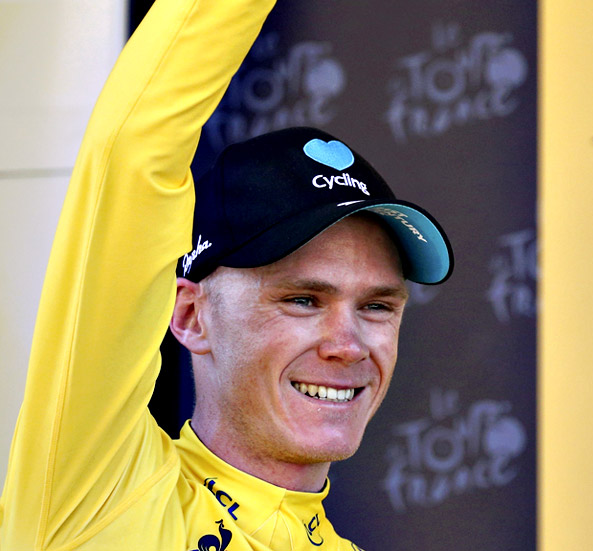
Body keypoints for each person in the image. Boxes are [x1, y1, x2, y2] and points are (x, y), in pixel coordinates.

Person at [0, 0, 452, 549]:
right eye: (303, 300)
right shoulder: (101, 497)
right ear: (191, 315)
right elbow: (135, 151)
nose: (348, 345)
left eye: (377, 306)